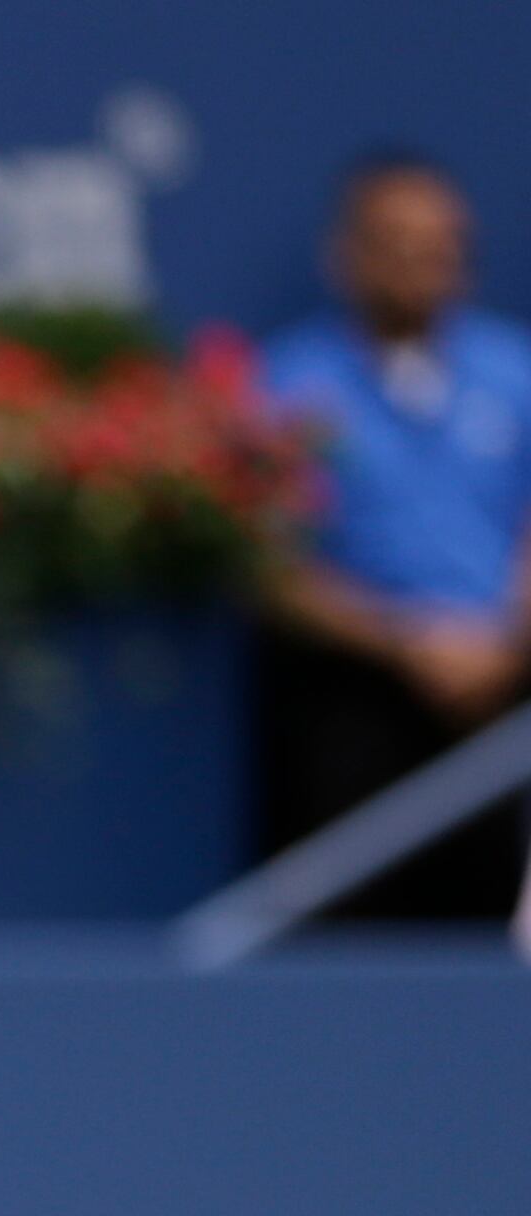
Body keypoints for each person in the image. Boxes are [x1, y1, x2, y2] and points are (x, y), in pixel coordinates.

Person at [255, 152, 531, 932]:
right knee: (351, 930)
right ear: (345, 255)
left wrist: (505, 641)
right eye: (395, 244)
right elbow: (267, 564)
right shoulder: (286, 383)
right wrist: (406, 642)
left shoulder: (518, 371)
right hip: (354, 697)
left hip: (502, 695)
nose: (420, 265)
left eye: (440, 246)